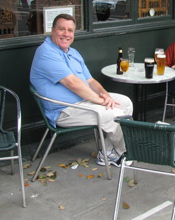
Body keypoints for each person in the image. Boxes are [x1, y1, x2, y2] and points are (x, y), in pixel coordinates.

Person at [30, 14, 133, 167]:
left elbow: (90, 81)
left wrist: (105, 95)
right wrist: (100, 100)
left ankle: (109, 153)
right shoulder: (46, 52)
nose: (66, 34)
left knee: (125, 102)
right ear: (52, 30)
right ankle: (127, 152)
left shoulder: (72, 53)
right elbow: (72, 83)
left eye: (70, 30)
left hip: (82, 102)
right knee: (114, 114)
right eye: (61, 29)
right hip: (64, 111)